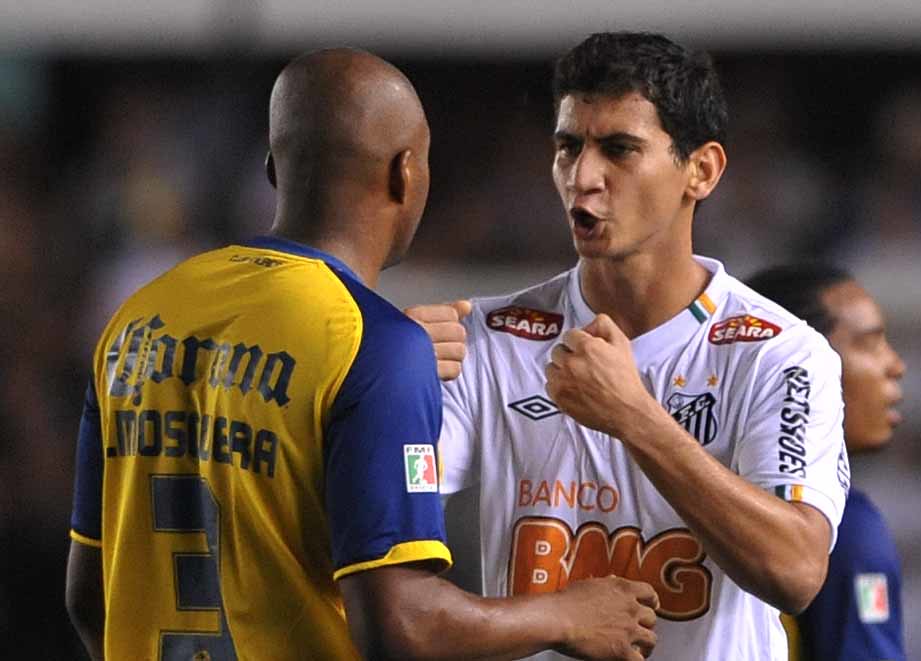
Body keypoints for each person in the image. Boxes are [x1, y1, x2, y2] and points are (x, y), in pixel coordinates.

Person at [65, 48, 662, 661]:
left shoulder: (137, 320)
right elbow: (400, 624)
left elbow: (90, 595)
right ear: (406, 173)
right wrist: (565, 614)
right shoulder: (376, 346)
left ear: (273, 169)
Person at [406, 32, 850, 660]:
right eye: (568, 147)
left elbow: (796, 571)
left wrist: (635, 416)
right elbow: (381, 523)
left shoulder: (778, 353)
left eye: (619, 149)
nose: (582, 177)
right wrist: (383, 390)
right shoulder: (491, 337)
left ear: (702, 171)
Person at [747, 264, 907, 661]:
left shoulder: (683, 502)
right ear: (801, 364)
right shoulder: (849, 529)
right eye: (870, 344)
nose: (895, 365)